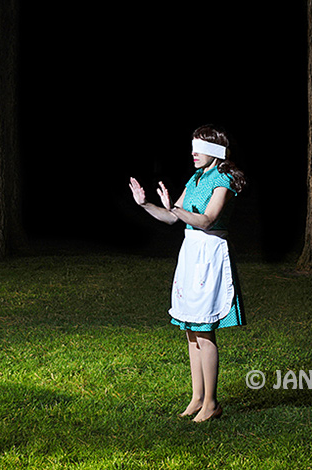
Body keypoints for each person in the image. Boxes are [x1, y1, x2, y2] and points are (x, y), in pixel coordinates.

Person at [128, 124, 246, 423]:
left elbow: (207, 219)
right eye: (192, 147)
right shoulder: (196, 177)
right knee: (191, 331)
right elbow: (170, 216)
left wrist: (177, 211)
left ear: (216, 151)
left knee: (204, 330)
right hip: (191, 253)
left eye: (199, 148)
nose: (192, 153)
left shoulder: (224, 178)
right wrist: (146, 204)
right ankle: (196, 398)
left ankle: (211, 403)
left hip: (210, 253)